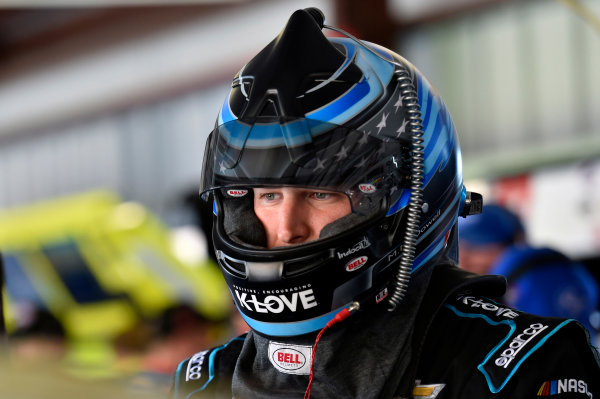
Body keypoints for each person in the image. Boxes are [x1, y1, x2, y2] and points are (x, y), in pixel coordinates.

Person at [171, 8, 600, 398]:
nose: (286, 228)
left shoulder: (517, 367)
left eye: (321, 193)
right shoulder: (206, 381)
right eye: (267, 196)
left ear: (410, 201)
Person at [459, 204, 599, 339]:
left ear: (515, 244)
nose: (464, 261)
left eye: (475, 249)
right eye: (461, 249)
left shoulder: (532, 275)